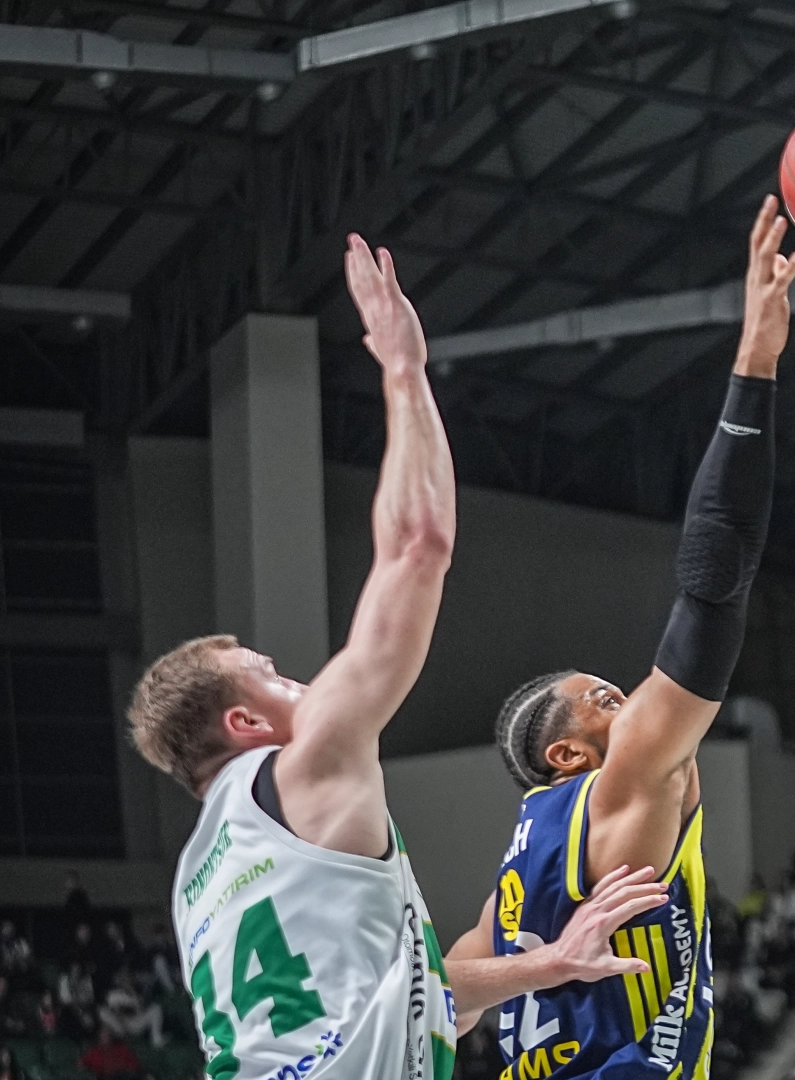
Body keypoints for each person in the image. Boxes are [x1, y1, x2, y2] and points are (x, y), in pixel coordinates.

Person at [126, 235, 664, 1080]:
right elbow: (418, 545)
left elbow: (408, 997)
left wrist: (552, 964)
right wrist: (404, 373)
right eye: (274, 675)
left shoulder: (202, 873)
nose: (304, 681)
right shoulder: (308, 762)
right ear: (245, 721)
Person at [448, 194, 795, 1080]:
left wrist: (537, 967)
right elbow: (713, 583)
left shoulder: (514, 883)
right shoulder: (627, 779)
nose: (631, 697)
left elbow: (435, 992)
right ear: (568, 754)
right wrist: (755, 364)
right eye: (605, 698)